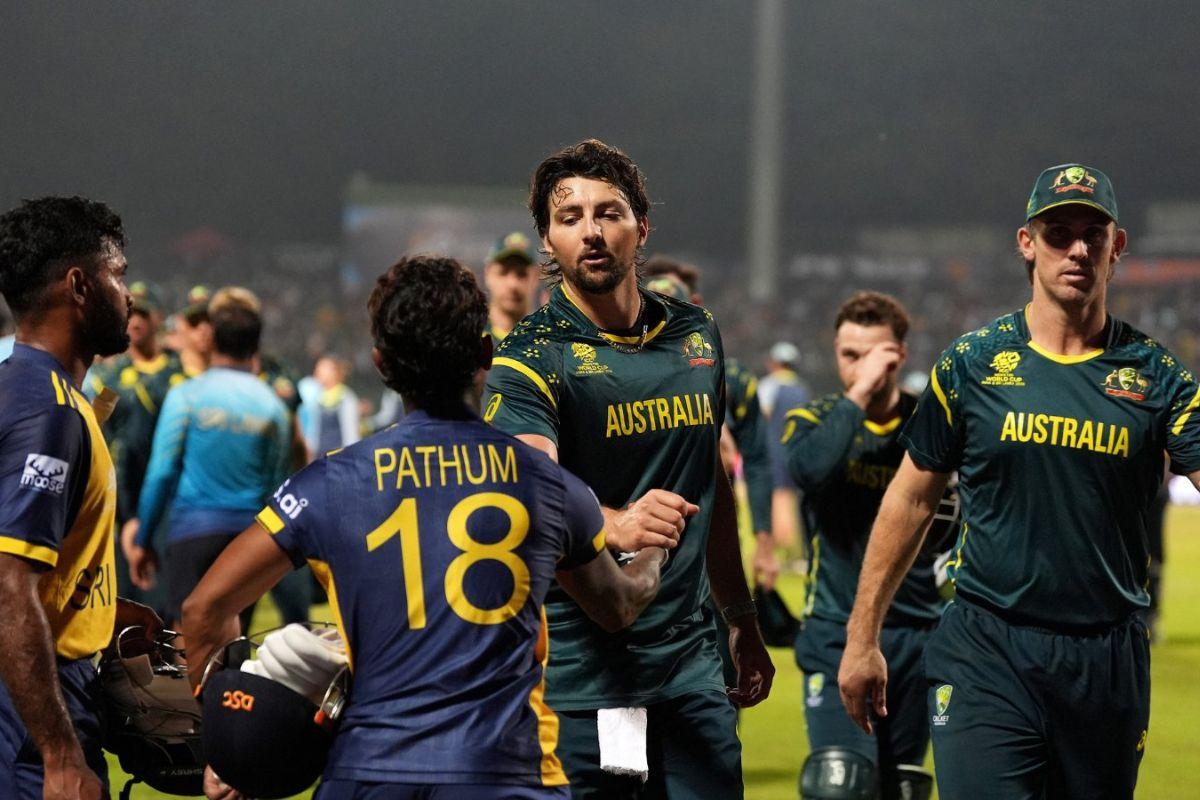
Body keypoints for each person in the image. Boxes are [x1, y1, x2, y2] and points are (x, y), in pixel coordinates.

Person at [182, 254, 670, 799]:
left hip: (369, 772)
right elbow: (617, 605)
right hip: (507, 776)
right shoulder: (546, 483)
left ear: (381, 364)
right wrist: (656, 552)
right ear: (485, 353)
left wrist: (229, 747)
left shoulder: (329, 483)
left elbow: (204, 610)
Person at [838, 164, 1200, 798]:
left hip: (1106, 658)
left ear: (1117, 246)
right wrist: (862, 635)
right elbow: (912, 498)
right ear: (1027, 243)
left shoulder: (1157, 376)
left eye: (1093, 234)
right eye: (1058, 233)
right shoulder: (972, 364)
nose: (1077, 249)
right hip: (987, 646)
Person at [483, 138, 773, 799]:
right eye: (570, 217)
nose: (591, 231)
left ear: (641, 228)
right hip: (580, 682)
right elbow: (529, 491)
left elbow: (711, 483)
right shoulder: (530, 357)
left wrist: (741, 617)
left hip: (692, 674)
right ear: (548, 240)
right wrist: (612, 522)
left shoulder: (698, 334)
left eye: (608, 212)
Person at [0, 196, 160, 798]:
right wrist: (60, 755)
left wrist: (103, 610)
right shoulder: (50, 412)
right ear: (79, 286)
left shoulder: (24, 388)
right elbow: (7, 584)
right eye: (118, 275)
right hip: (30, 714)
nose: (129, 296)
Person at [781, 291, 942, 798]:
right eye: (850, 355)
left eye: (876, 355)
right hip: (837, 629)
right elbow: (809, 471)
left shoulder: (931, 426)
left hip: (918, 635)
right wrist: (861, 393)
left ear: (901, 354)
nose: (862, 367)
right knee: (841, 785)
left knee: (902, 787)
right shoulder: (815, 419)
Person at [125, 287, 291, 630]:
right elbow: (276, 484)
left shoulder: (187, 395)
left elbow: (161, 472)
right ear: (256, 344)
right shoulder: (273, 407)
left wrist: (143, 538)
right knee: (235, 638)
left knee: (187, 638)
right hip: (249, 538)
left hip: (193, 531)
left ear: (212, 338)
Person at [642, 257, 778, 591]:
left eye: (674, 305)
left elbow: (756, 462)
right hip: (645, 538)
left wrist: (764, 543)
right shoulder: (627, 379)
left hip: (711, 539)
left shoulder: (732, 380)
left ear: (695, 305)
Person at [85, 281, 186, 614]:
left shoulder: (179, 373)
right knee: (126, 602)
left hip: (172, 498)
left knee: (169, 601)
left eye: (143, 313)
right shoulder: (111, 378)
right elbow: (96, 429)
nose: (136, 321)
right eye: (131, 314)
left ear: (158, 318)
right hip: (123, 500)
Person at [484, 230, 542, 343]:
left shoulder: (551, 341)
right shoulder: (469, 336)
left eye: (522, 274)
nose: (513, 284)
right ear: (488, 274)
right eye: (503, 272)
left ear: (536, 277)